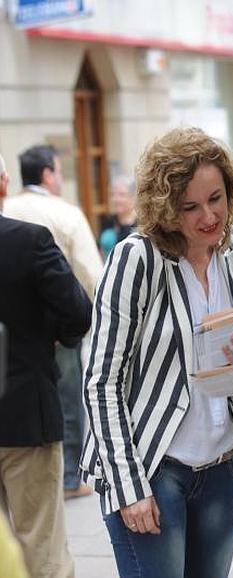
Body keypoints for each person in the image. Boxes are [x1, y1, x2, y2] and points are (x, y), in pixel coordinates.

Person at [80, 127, 233, 578]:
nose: (208, 217)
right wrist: (127, 487)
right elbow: (102, 381)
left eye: (216, 198)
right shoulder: (137, 259)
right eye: (190, 206)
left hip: (222, 468)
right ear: (164, 206)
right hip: (152, 472)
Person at [0, 153, 92, 578]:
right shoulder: (29, 241)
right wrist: (52, 335)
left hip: (25, 414)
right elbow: (78, 311)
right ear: (3, 184)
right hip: (26, 415)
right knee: (43, 549)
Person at [4, 144, 103, 499]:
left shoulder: (9, 209)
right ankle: (71, 478)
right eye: (59, 172)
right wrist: (80, 327)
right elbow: (91, 274)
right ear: (47, 174)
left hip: (12, 334)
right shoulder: (65, 214)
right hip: (52, 328)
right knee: (67, 397)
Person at [99, 175, 138, 259]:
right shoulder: (108, 221)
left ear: (133, 197)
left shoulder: (141, 224)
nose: (116, 199)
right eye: (113, 194)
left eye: (122, 195)